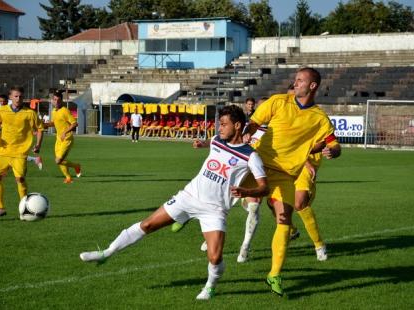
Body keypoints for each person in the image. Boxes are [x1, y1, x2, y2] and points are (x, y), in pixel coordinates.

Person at [79, 105, 269, 300]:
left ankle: (210, 286)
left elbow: (265, 187)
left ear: (237, 125)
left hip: (214, 210)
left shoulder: (250, 156)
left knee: (214, 257)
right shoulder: (217, 140)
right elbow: (210, 142)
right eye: (219, 124)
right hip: (188, 197)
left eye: (223, 124)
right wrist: (201, 143)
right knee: (148, 224)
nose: (219, 128)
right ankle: (107, 252)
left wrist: (247, 191)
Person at [243, 67, 336, 296]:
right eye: (295, 80)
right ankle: (188, 212)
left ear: (312, 86)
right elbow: (254, 122)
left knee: (284, 219)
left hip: (286, 174)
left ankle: (274, 274)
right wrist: (247, 131)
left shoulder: (320, 118)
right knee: (226, 191)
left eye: (300, 80)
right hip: (259, 166)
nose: (295, 83)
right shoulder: (278, 101)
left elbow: (334, 143)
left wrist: (333, 151)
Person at [0, 86, 44, 217]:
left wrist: (38, 145)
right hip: (3, 150)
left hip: (20, 152)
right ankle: (0, 208)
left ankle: (25, 208)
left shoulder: (30, 113)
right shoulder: (2, 111)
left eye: (21, 96)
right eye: (16, 96)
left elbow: (40, 129)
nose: (18, 99)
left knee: (20, 179)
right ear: (10, 97)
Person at [45, 91, 81, 184]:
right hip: (58, 139)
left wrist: (65, 132)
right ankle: (68, 178)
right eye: (55, 100)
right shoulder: (53, 111)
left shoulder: (65, 110)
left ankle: (76, 166)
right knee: (59, 161)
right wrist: (44, 124)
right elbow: (54, 123)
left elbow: (75, 123)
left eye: (58, 100)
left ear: (61, 101)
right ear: (52, 100)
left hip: (67, 139)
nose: (56, 102)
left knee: (58, 161)